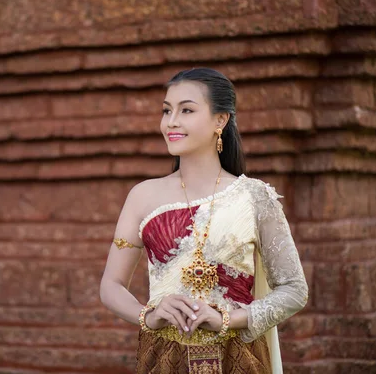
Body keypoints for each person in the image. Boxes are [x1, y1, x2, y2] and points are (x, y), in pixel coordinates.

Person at [99, 68, 308, 374]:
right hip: (165, 359)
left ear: (220, 120)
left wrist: (227, 319)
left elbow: (294, 290)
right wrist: (150, 315)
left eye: (186, 110)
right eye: (167, 110)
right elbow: (111, 285)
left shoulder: (255, 197)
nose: (171, 121)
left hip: (240, 359)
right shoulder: (143, 196)